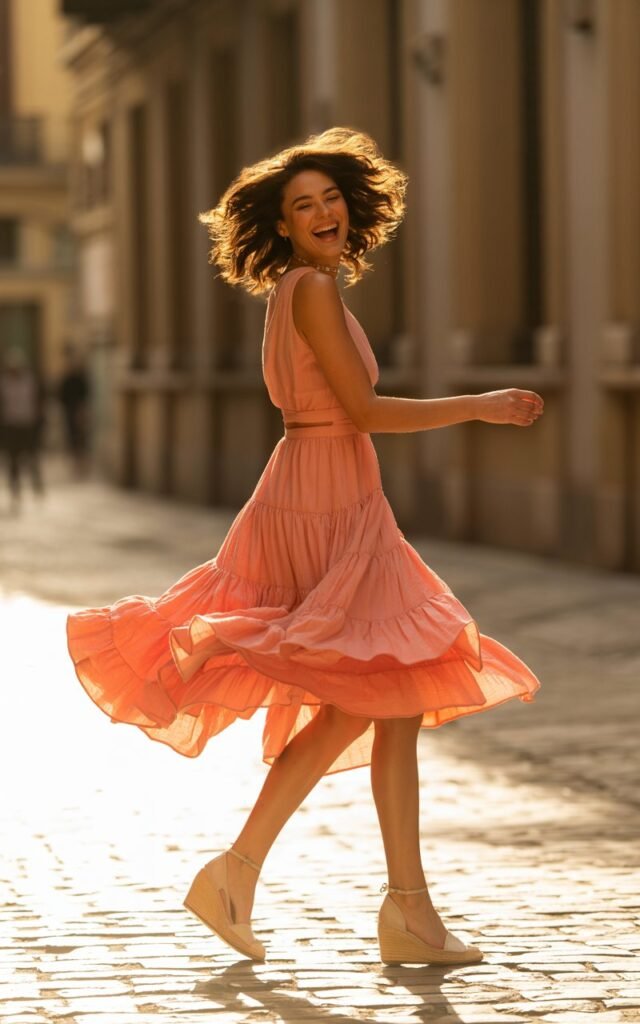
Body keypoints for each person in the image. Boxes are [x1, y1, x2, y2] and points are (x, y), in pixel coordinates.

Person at [66, 126, 544, 967]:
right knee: (363, 693)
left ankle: (408, 913)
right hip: (327, 499)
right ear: (283, 225)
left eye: (329, 198)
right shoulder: (311, 291)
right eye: (302, 204)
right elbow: (360, 410)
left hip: (327, 491)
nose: (321, 211)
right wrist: (482, 403)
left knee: (395, 698)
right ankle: (238, 871)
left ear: (349, 208)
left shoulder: (307, 287)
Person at [0, 346, 46, 513]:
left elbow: (39, 402)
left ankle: (37, 487)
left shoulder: (31, 381)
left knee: (33, 459)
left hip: (27, 426)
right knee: (13, 463)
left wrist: (39, 424)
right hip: (11, 427)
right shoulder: (3, 383)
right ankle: (15, 492)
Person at [57, 344, 91, 478]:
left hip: (79, 410)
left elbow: (86, 394)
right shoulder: (67, 379)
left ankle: (81, 463)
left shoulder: (80, 378)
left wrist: (82, 409)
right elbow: (61, 396)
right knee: (72, 437)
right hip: (70, 412)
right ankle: (76, 463)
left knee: (81, 437)